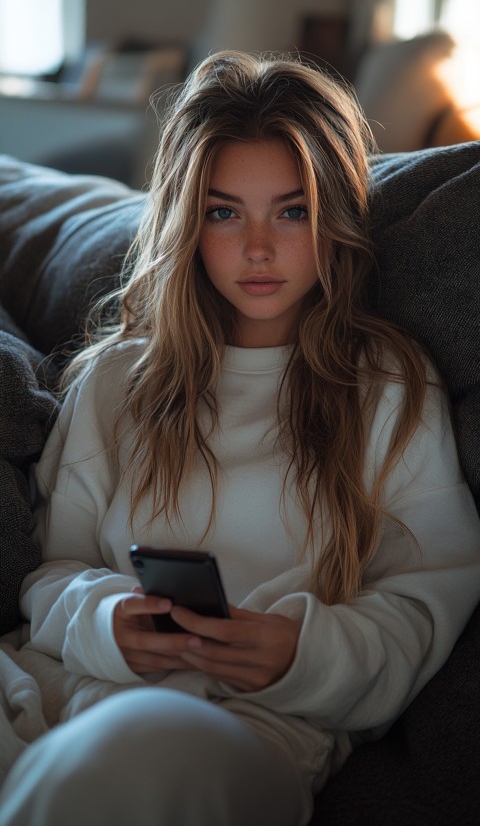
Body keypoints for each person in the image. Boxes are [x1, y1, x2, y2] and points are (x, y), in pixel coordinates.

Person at [0, 50, 479, 826]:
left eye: (292, 211)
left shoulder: (387, 382)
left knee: (137, 750)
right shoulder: (119, 379)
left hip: (249, 727)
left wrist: (301, 652)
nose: (259, 248)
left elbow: (427, 602)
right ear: (189, 222)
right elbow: (51, 575)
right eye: (226, 212)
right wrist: (107, 622)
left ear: (334, 219)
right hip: (64, 689)